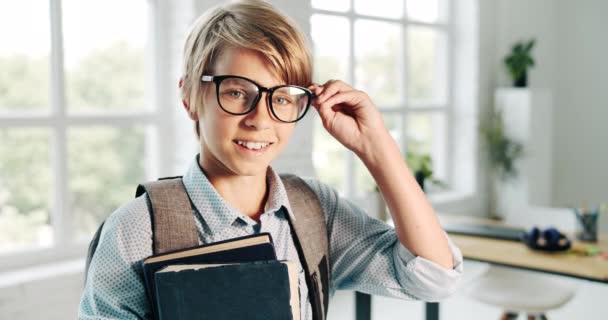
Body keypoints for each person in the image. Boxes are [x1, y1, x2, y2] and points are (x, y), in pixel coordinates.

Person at [78, 0, 463, 319]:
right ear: (191, 96)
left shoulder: (314, 211)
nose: (260, 118)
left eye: (281, 97)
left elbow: (433, 277)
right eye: (236, 92)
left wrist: (377, 148)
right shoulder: (135, 231)